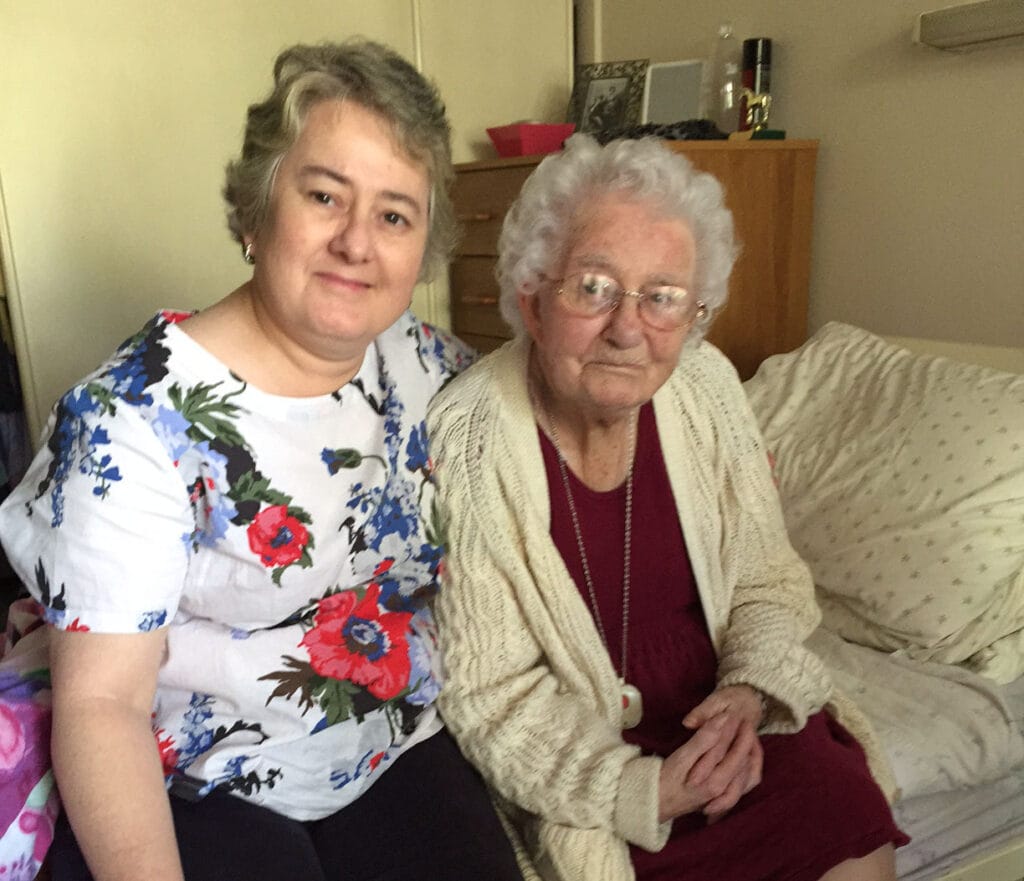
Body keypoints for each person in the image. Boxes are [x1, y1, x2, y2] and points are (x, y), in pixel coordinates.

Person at [0, 40, 523, 881]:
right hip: (198, 770)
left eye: (395, 214)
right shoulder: (131, 418)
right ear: (256, 211)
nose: (358, 241)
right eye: (325, 195)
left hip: (390, 744)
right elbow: (103, 705)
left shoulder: (437, 371)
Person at [426, 134, 909, 881]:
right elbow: (490, 693)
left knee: (845, 818)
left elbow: (767, 583)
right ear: (532, 296)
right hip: (583, 754)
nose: (628, 327)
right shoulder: (467, 438)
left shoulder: (707, 388)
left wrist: (749, 693)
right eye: (593, 287)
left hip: (730, 717)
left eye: (663, 297)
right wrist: (637, 789)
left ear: (693, 314)